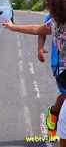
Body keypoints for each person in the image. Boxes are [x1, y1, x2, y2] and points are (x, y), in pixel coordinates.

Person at [2, 0, 66, 146]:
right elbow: (38, 29)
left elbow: (37, 29)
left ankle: (54, 115)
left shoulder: (56, 24)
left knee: (64, 126)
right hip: (60, 66)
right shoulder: (55, 24)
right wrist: (14, 27)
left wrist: (13, 27)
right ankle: (54, 116)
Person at [38, 13, 66, 141]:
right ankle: (54, 113)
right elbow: (41, 31)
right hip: (59, 62)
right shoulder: (54, 13)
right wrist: (40, 48)